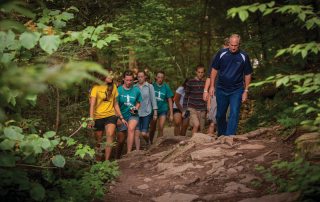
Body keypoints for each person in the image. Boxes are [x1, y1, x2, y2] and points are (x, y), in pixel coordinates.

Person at [209, 34, 253, 136]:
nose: (233, 47)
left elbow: (248, 74)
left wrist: (246, 91)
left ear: (240, 44)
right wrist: (211, 86)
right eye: (231, 45)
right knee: (219, 115)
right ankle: (222, 135)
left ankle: (230, 137)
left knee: (234, 113)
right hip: (221, 89)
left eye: (235, 45)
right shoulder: (221, 53)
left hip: (236, 90)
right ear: (229, 43)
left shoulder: (244, 56)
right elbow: (214, 69)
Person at [88, 70, 127, 161]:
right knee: (98, 142)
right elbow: (92, 105)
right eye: (110, 75)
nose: (112, 77)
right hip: (98, 117)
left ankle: (107, 161)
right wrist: (91, 119)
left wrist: (121, 117)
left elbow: (115, 104)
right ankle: (98, 163)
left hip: (111, 115)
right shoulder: (95, 88)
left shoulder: (113, 87)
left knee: (109, 135)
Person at [203, 38, 230, 134]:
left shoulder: (235, 57)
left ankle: (223, 136)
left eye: (229, 47)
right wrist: (206, 90)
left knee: (226, 115)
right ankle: (219, 135)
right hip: (216, 89)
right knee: (214, 117)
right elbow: (209, 75)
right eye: (225, 47)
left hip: (229, 90)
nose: (226, 50)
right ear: (222, 46)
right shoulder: (216, 57)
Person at [115, 70, 143, 159]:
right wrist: (118, 118)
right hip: (121, 115)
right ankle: (117, 157)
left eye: (130, 80)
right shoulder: (118, 90)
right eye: (127, 80)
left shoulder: (136, 90)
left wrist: (136, 108)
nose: (129, 82)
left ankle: (128, 155)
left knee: (131, 129)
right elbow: (116, 106)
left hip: (133, 115)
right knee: (121, 140)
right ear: (123, 79)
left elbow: (138, 103)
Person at [134, 70, 158, 150]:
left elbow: (153, 99)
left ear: (145, 77)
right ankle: (137, 151)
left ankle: (148, 142)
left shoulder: (150, 86)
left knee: (144, 133)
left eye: (142, 77)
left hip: (146, 112)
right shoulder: (134, 87)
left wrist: (155, 112)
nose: (140, 78)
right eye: (139, 77)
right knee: (137, 132)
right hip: (136, 113)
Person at [149, 71, 174, 143]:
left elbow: (170, 101)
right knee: (153, 128)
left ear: (164, 78)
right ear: (156, 77)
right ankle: (150, 142)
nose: (160, 79)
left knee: (161, 127)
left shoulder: (166, 87)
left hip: (163, 108)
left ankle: (158, 143)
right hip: (153, 110)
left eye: (161, 77)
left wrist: (171, 115)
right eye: (158, 77)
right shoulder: (152, 86)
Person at [182, 64, 206, 136]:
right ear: (196, 72)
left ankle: (197, 145)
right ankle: (191, 143)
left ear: (204, 73)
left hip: (202, 108)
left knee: (201, 129)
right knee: (196, 125)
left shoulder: (206, 82)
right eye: (199, 72)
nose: (200, 74)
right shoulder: (191, 82)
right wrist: (184, 110)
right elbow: (186, 96)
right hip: (192, 108)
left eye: (202, 72)